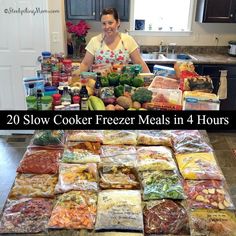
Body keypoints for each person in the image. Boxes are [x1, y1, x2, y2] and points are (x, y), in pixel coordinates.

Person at [78, 7, 150, 73]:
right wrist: (74, 76)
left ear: (118, 22)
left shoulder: (128, 40)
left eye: (110, 23)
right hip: (100, 83)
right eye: (104, 23)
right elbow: (85, 64)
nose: (107, 27)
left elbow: (139, 63)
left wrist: (151, 79)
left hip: (122, 84)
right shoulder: (94, 41)